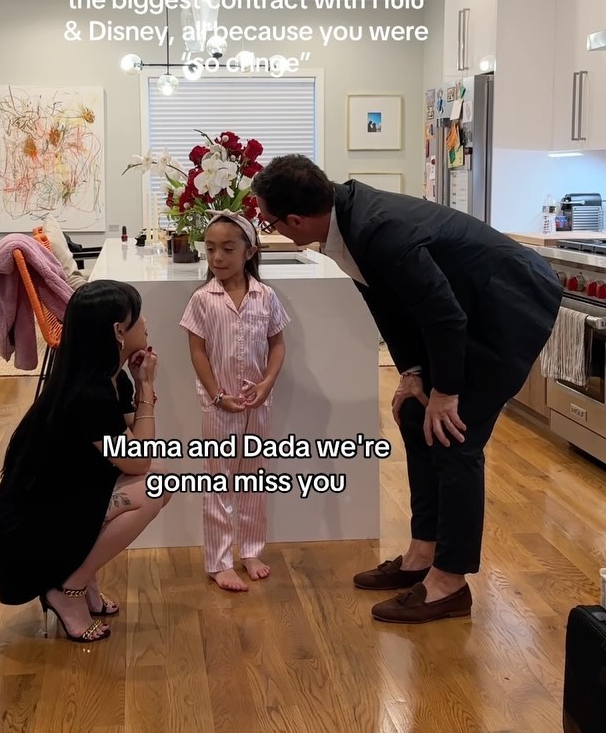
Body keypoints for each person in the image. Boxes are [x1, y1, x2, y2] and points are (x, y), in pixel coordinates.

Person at [255, 156, 562, 624]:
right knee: (417, 415)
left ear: (295, 220)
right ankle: (423, 554)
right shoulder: (343, 221)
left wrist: (447, 392)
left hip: (508, 303)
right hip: (461, 308)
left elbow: (444, 314)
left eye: (270, 221)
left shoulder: (380, 230)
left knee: (455, 435)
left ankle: (449, 583)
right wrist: (413, 373)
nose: (269, 228)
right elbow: (387, 303)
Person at [0, 279, 171, 643]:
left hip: (59, 502)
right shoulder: (90, 394)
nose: (145, 321)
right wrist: (148, 389)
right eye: (138, 315)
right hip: (29, 529)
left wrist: (140, 387)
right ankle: (68, 588)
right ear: (118, 331)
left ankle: (80, 581)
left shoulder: (110, 379)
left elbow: (134, 441)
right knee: (155, 486)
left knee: (159, 478)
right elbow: (138, 463)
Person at [179, 212, 290, 592]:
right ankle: (219, 560)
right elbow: (197, 351)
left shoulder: (266, 296)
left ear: (249, 252)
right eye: (210, 249)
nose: (217, 257)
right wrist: (217, 395)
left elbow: (277, 343)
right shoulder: (202, 300)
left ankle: (252, 550)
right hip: (217, 406)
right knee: (217, 479)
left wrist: (268, 383)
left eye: (228, 249)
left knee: (255, 477)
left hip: (258, 404)